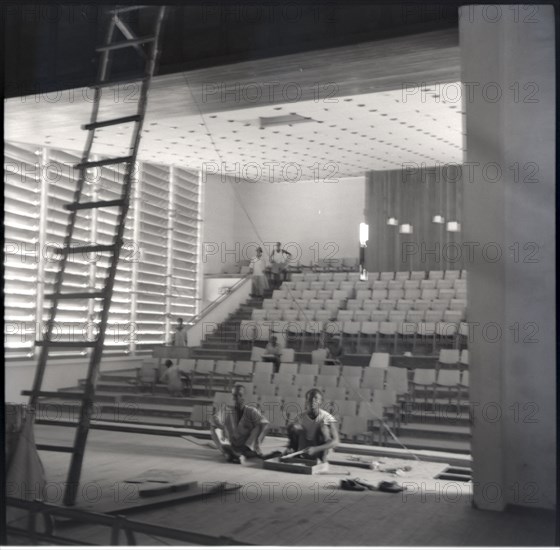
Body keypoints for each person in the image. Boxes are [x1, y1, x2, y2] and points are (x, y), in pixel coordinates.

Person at [210, 384, 270, 464]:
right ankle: (226, 451)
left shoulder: (251, 411)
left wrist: (258, 442)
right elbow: (214, 419)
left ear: (244, 396)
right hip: (232, 443)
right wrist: (223, 427)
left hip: (245, 444)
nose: (237, 398)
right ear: (232, 397)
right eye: (235, 395)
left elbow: (265, 424)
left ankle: (242, 452)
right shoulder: (226, 409)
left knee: (259, 425)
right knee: (214, 427)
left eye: (240, 395)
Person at [286, 388, 339, 463]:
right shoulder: (300, 417)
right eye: (310, 398)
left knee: (323, 427)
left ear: (321, 401)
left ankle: (321, 459)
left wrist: (315, 449)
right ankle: (295, 453)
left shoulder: (327, 417)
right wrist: (290, 447)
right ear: (306, 401)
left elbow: (336, 442)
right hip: (305, 448)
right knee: (293, 427)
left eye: (316, 398)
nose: (313, 401)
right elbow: (294, 435)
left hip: (319, 448)